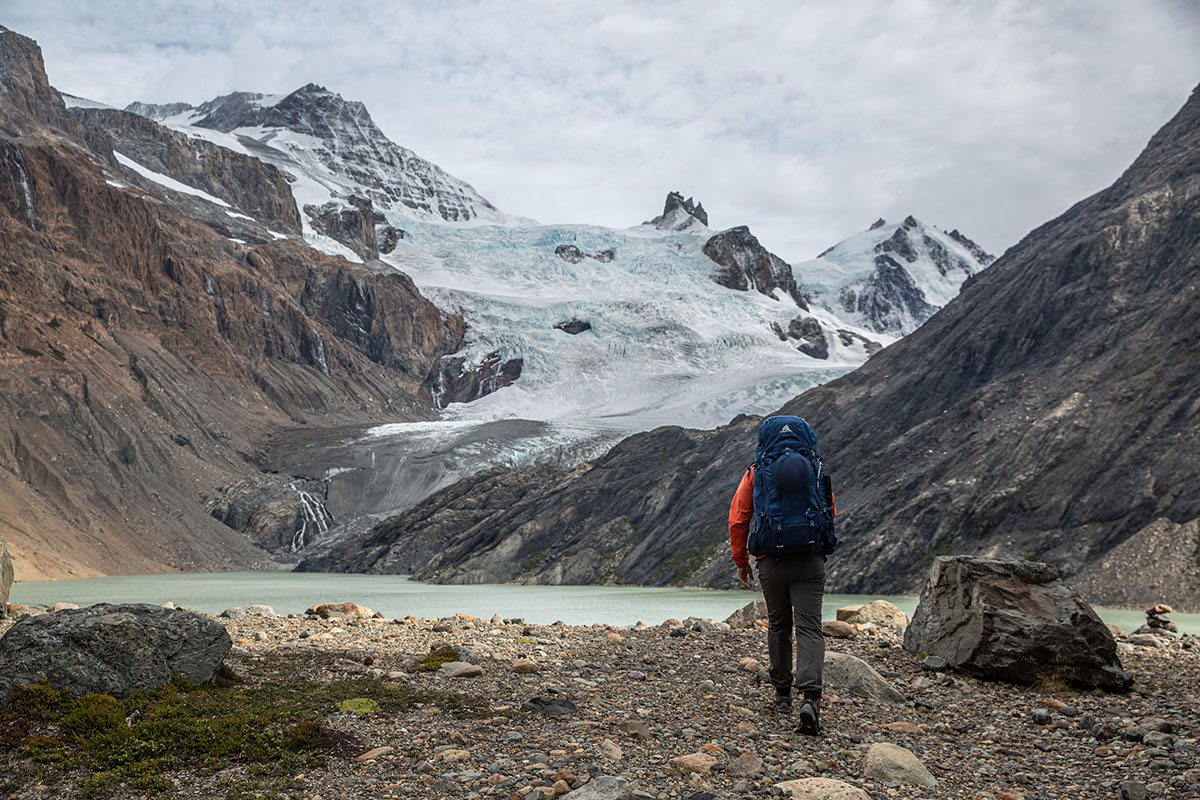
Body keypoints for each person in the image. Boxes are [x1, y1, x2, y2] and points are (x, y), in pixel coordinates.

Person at [728, 415, 835, 736]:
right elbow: (829, 510)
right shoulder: (815, 468)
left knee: (778, 625)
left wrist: (741, 561)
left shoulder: (756, 472)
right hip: (809, 559)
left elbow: (738, 518)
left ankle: (782, 694)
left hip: (770, 561)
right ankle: (811, 697)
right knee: (810, 628)